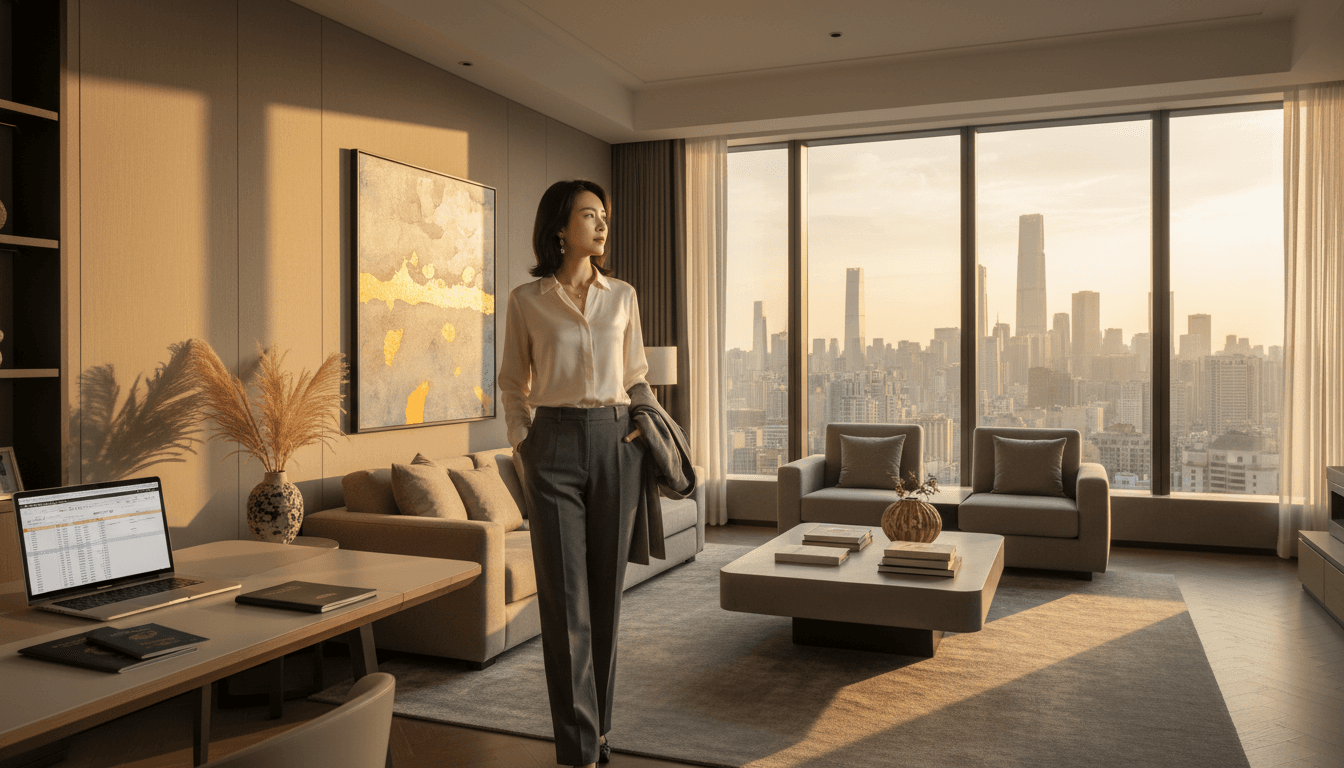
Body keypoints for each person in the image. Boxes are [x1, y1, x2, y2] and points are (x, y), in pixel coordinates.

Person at [498, 179, 649, 768]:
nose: (602, 224)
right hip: (552, 444)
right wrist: (524, 440)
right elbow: (513, 382)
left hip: (617, 441)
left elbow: (636, 374)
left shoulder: (623, 296)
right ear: (561, 228)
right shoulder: (527, 300)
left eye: (604, 215)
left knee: (606, 597)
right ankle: (578, 748)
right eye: (590, 215)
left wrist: (640, 427)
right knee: (565, 604)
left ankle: (601, 729)